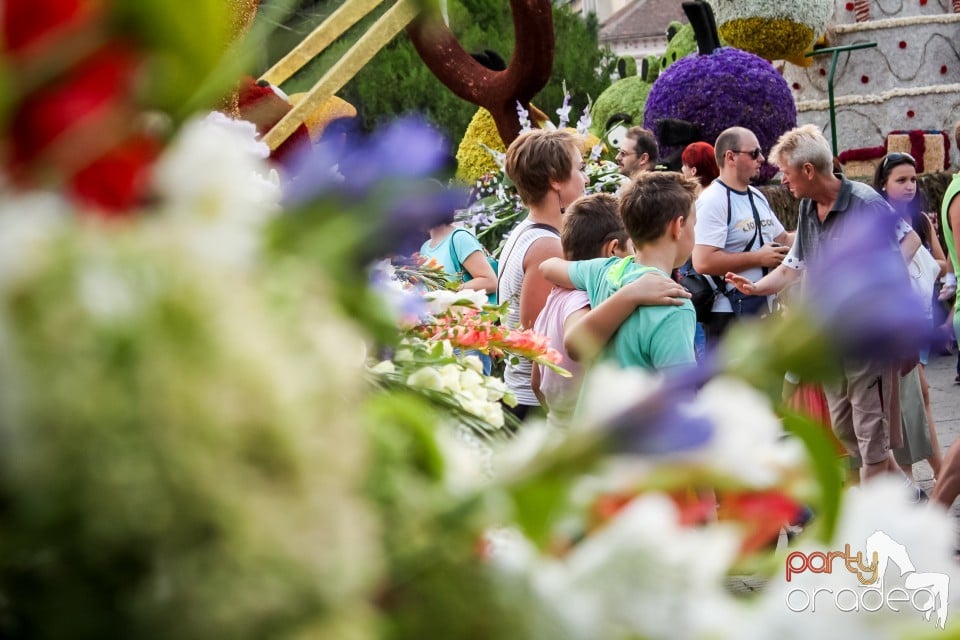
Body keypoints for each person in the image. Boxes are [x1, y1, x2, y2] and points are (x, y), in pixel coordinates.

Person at [725, 124, 921, 483]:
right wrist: (756, 288)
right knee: (849, 434)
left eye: (786, 173)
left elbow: (899, 264)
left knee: (871, 444)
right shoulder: (807, 209)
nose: (783, 181)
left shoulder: (864, 203)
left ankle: (875, 532)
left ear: (808, 170)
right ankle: (913, 500)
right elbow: (792, 268)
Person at [540, 171, 699, 372]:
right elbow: (680, 393)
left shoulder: (604, 270)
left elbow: (547, 267)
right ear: (678, 226)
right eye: (694, 223)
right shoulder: (674, 303)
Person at [498, 129, 585, 420]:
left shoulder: (526, 231)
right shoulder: (547, 246)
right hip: (533, 401)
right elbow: (540, 338)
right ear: (555, 179)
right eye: (579, 169)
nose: (585, 179)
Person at [872, 152, 945, 480]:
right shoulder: (877, 220)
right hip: (899, 320)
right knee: (913, 401)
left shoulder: (919, 221)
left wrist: (924, 263)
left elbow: (945, 266)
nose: (909, 186)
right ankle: (931, 474)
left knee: (919, 398)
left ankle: (935, 473)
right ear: (883, 185)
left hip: (921, 314)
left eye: (913, 179)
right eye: (900, 180)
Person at [691, 127, 793, 340]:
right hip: (729, 316)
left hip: (763, 309)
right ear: (731, 157)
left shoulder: (756, 195)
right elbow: (703, 261)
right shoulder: (713, 200)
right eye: (754, 153)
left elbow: (783, 239)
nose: (762, 159)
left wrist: (822, 225)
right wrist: (758, 258)